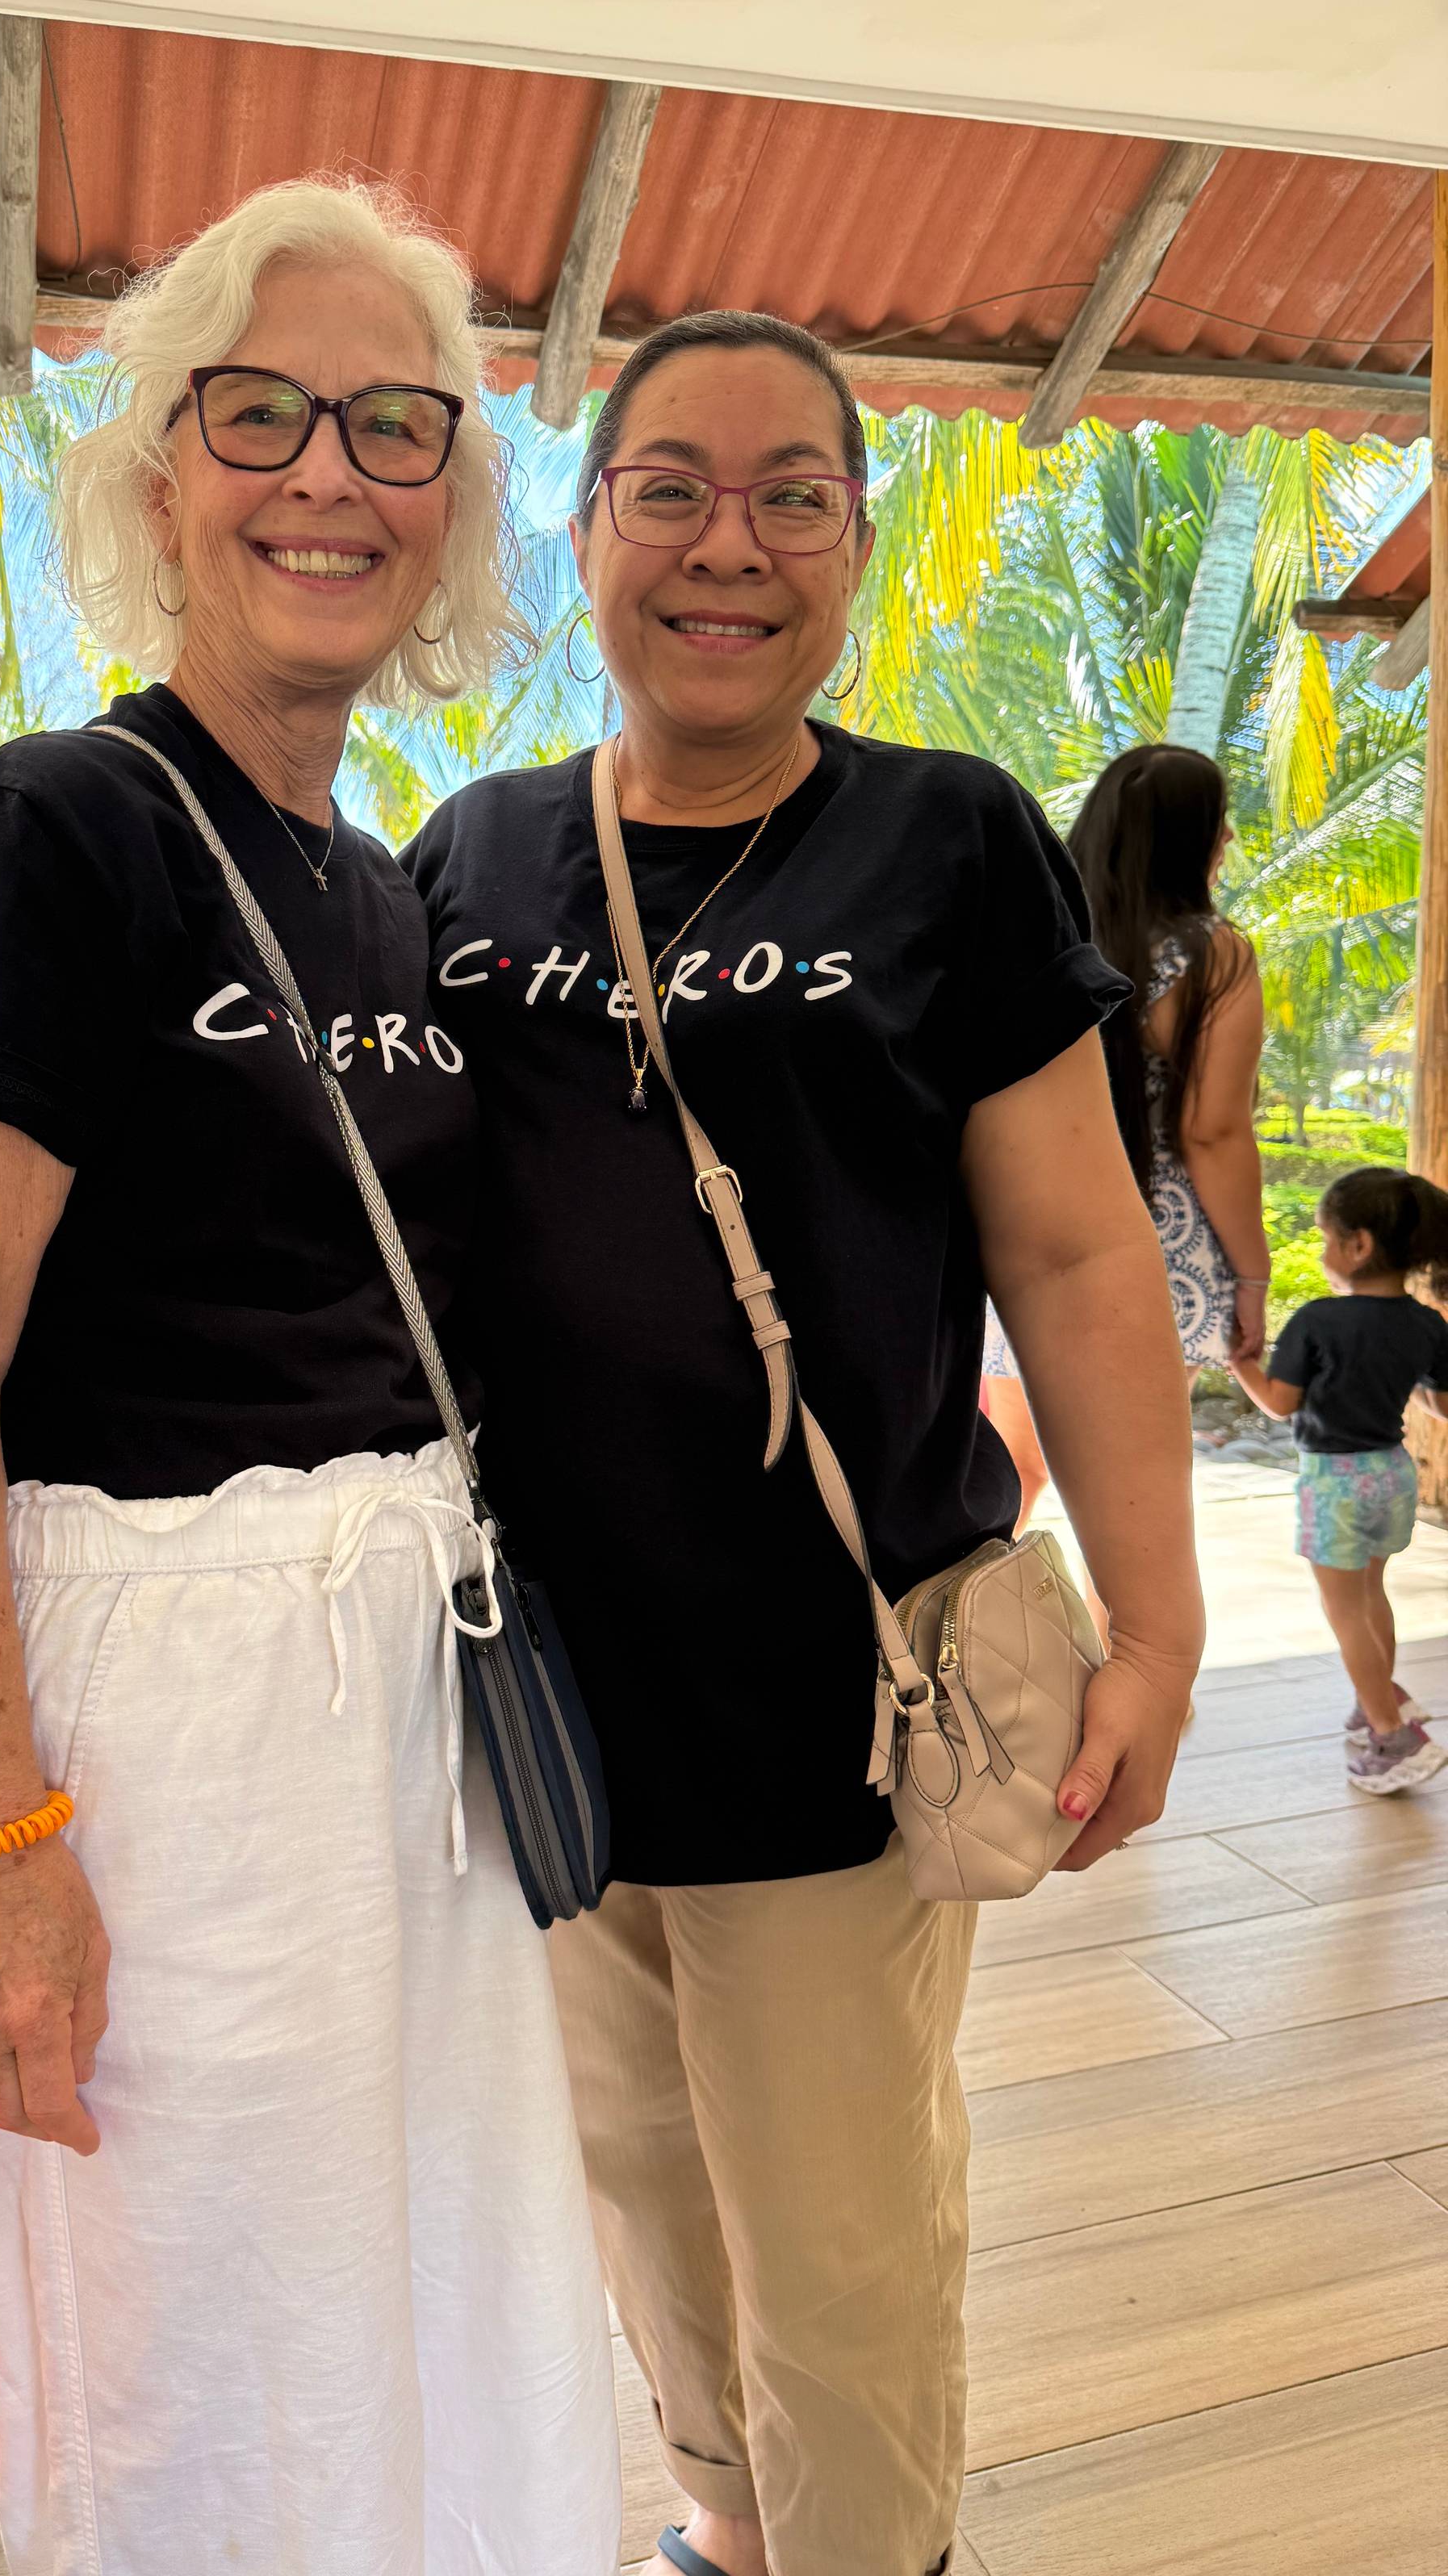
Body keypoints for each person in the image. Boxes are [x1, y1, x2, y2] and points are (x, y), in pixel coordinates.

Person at [0, 179, 619, 2576]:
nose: (327, 477)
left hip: (399, 1732)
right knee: (197, 2339)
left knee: (421, 2302)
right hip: (163, 1739)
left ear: (454, 498)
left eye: (395, 427)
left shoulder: (373, 882)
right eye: (259, 415)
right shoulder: (53, 832)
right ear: (158, 473)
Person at [407, 310, 1205, 2576]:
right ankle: (727, 2532)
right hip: (547, 1708)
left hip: (837, 1707)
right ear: (586, 534)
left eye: (791, 497)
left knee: (835, 2249)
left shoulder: (940, 839)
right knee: (640, 2186)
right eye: (667, 488)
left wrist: (1158, 1630)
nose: (725, 545)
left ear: (855, 541)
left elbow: (1073, 1256)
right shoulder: (474, 856)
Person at [981, 743, 1270, 1523]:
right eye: (1218, 821)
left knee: (1013, 1474)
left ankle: (965, 1611)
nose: (1228, 838)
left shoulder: (1036, 935)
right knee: (1133, 1507)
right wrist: (1252, 1278)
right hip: (1151, 1244)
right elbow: (1212, 1133)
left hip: (1021, 1229)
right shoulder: (1211, 954)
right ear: (1184, 837)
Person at [1228, 1167, 1448, 1793]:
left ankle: (1392, 1734)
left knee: (1344, 1610)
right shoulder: (1427, 1322)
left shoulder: (1319, 1320)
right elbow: (1440, 1405)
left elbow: (1279, 1403)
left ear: (1359, 1246)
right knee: (1372, 1594)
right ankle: (1376, 1699)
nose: (1323, 1250)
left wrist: (1239, 1361)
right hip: (1391, 1474)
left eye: (1326, 1238)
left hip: (1335, 1484)